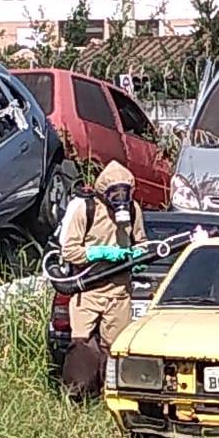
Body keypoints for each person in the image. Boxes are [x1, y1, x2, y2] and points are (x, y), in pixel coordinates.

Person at [60, 160, 146, 394]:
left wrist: (136, 257)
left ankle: (111, 393)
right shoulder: (87, 210)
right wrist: (98, 253)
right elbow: (69, 251)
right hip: (88, 289)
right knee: (82, 343)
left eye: (124, 193)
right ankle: (77, 393)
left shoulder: (133, 210)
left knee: (115, 346)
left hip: (119, 291)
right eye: (114, 193)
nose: (119, 198)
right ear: (103, 192)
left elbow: (142, 243)